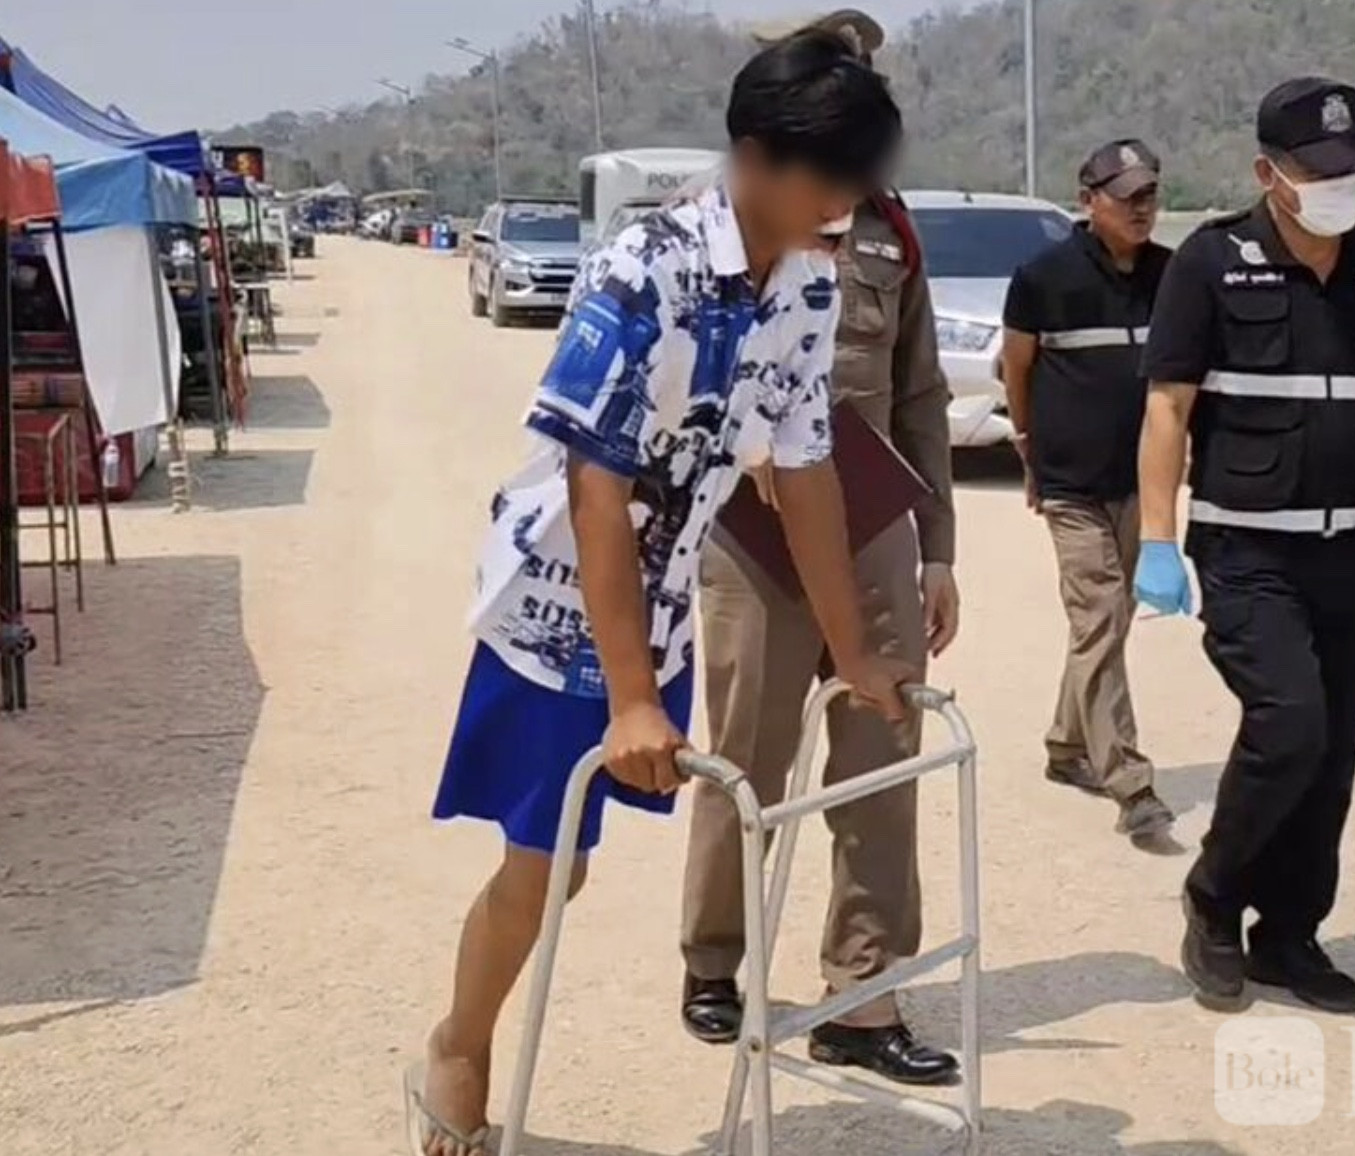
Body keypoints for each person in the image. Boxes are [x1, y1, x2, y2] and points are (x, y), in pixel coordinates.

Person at [410, 34, 910, 1155]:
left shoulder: (810, 283)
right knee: (550, 866)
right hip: (560, 611)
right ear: (757, 157)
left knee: (568, 862)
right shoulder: (646, 266)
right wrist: (631, 697)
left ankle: (465, 1029)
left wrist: (852, 652)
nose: (845, 202)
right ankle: (459, 1042)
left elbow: (806, 472)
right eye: (830, 177)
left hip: (666, 602)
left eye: (859, 180)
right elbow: (595, 486)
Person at [1136, 78, 1355, 1014]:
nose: (1341, 187)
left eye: (1353, 168)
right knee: (1290, 727)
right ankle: (1213, 900)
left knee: (1335, 752)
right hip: (1247, 551)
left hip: (1354, 552)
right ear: (1268, 174)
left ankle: (1289, 934)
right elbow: (1167, 407)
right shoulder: (1211, 262)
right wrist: (1156, 540)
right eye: (1320, 172)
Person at [678, 7, 963, 1088]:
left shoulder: (891, 232)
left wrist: (937, 549)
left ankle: (864, 992)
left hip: (873, 525)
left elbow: (920, 395)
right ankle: (715, 960)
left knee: (883, 760)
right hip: (749, 533)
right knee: (743, 761)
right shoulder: (707, 219)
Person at [1000, 139, 1179, 852]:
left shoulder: (1172, 276)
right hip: (1072, 484)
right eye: (1128, 196)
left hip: (1140, 483)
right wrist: (1027, 449)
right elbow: (1017, 368)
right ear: (1088, 201)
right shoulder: (1043, 278)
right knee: (1100, 615)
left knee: (1107, 623)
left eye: (1150, 195)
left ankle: (1067, 743)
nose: (1142, 208)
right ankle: (1130, 783)